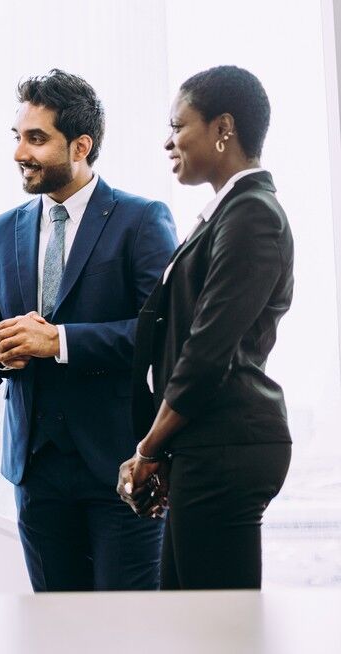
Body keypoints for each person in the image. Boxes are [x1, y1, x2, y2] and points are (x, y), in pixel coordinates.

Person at [0, 70, 178, 592]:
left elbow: (161, 335)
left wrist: (59, 342)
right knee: (53, 625)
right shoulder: (0, 230)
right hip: (35, 472)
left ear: (80, 146)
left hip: (122, 466)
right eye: (17, 136)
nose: (20, 152)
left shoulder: (141, 219)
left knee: (125, 625)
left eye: (36, 138)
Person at [119, 65, 293, 590]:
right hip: (207, 443)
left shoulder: (252, 214)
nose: (167, 141)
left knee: (216, 626)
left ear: (223, 129)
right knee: (187, 618)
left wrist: (148, 449)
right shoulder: (227, 211)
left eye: (178, 126)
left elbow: (206, 351)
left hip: (227, 445)